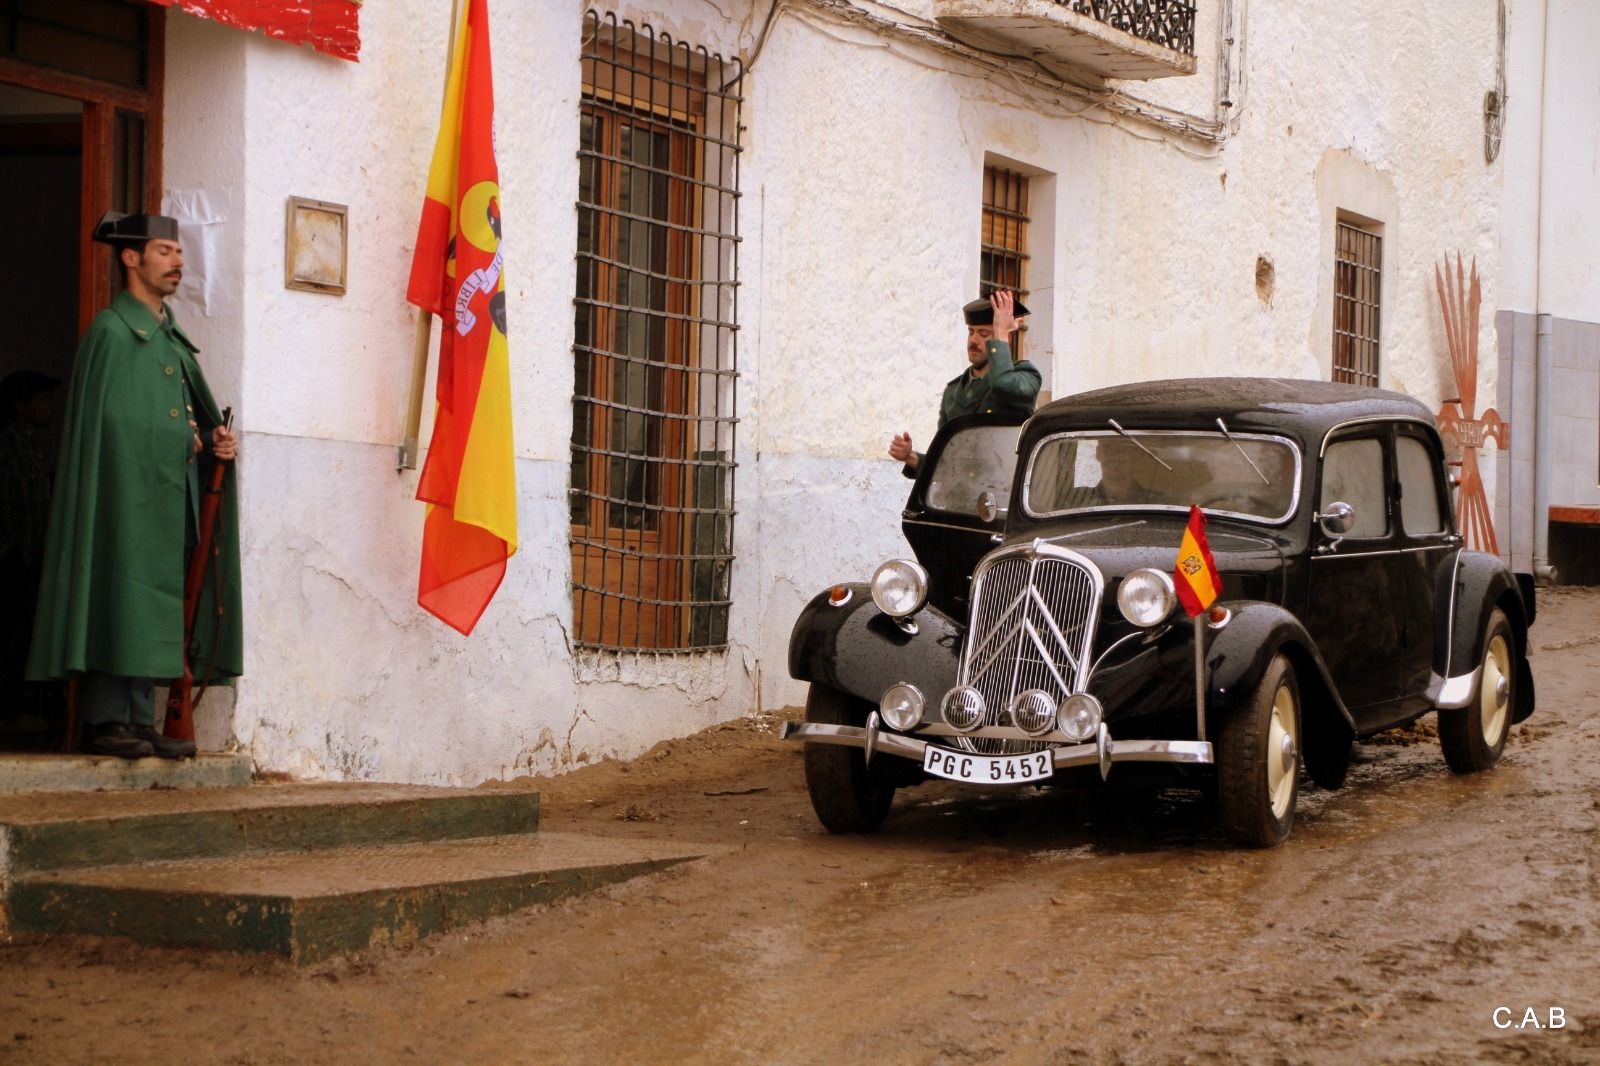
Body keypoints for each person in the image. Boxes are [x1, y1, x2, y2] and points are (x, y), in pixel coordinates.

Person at [27, 212, 243, 760]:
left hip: (169, 496)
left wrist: (212, 444)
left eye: (179, 251)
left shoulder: (170, 340)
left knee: (158, 597)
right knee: (117, 586)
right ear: (131, 258)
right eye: (166, 250)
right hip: (123, 497)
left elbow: (186, 417)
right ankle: (106, 718)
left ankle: (139, 719)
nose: (179, 262)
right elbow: (109, 428)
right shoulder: (110, 333)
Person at [889, 290, 1040, 477]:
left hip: (1001, 497)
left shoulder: (1026, 376)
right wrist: (909, 456)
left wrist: (1000, 332)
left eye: (984, 334)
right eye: (971, 332)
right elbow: (945, 460)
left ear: (1006, 339)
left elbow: (1003, 384)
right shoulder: (953, 392)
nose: (973, 341)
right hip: (960, 499)